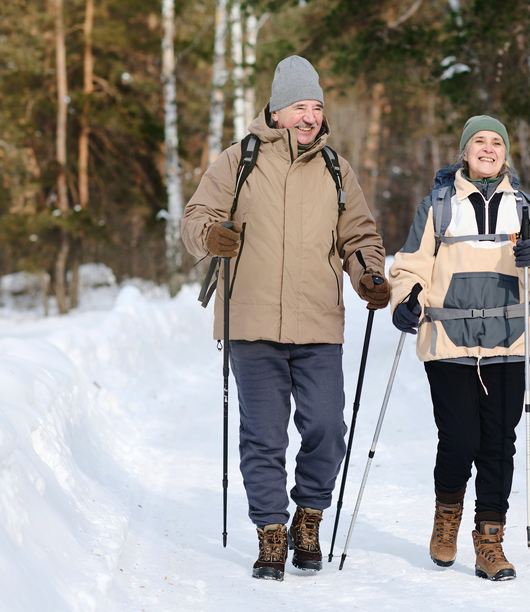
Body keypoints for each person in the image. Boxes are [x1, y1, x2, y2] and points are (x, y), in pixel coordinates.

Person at [180, 56, 389, 581]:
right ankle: (271, 531)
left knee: (327, 428)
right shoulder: (238, 160)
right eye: (300, 106)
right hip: (250, 323)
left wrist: (368, 274)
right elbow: (194, 220)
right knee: (264, 435)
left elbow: (360, 236)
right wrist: (212, 237)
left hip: (318, 321)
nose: (309, 117)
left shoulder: (336, 168)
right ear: (276, 111)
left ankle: (309, 517)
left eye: (316, 107)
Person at [387, 115, 530, 581]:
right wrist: (406, 299)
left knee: (498, 446)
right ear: (464, 152)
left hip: (509, 342)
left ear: (506, 153)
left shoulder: (526, 209)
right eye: (479, 142)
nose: (488, 149)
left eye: (496, 142)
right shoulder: (438, 206)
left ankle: (490, 541)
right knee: (460, 439)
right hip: (449, 341)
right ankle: (447, 518)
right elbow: (409, 265)